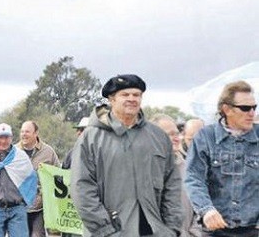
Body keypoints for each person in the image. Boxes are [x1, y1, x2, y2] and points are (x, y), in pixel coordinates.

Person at [70, 74, 182, 237]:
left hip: (155, 231)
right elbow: (82, 187)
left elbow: (172, 184)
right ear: (112, 99)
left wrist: (171, 228)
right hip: (110, 232)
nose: (131, 99)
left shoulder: (158, 137)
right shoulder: (90, 138)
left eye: (136, 95)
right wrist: (105, 229)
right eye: (125, 95)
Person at [185, 80, 259, 236]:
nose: (251, 113)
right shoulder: (205, 137)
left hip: (253, 229)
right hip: (213, 228)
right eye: (245, 108)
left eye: (254, 107)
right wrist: (206, 210)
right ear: (227, 109)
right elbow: (194, 178)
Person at [151, 114, 201, 237]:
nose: (177, 138)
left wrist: (193, 234)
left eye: (177, 133)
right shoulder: (142, 172)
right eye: (170, 134)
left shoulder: (190, 170)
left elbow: (200, 209)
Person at [16, 121, 61, 237]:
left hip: (40, 206)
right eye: (22, 131)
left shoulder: (48, 152)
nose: (23, 134)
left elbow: (58, 176)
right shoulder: (13, 152)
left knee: (37, 235)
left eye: (27, 131)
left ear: (36, 133)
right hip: (18, 206)